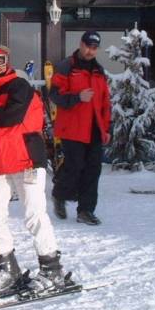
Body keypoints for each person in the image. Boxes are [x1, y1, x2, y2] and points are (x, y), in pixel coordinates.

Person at [0, 44, 65, 295]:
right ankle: (8, 269)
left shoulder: (19, 86)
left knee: (34, 215)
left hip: (26, 160)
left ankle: (52, 269)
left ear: (7, 62)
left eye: (0, 60)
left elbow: (8, 117)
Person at [50, 31, 111, 225]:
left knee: (93, 170)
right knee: (74, 166)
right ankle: (59, 194)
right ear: (81, 44)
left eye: (94, 48)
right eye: (88, 46)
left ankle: (85, 211)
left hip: (94, 128)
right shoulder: (66, 66)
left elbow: (105, 103)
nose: (90, 51)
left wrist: (106, 128)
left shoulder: (99, 70)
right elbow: (54, 95)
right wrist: (77, 97)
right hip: (72, 127)